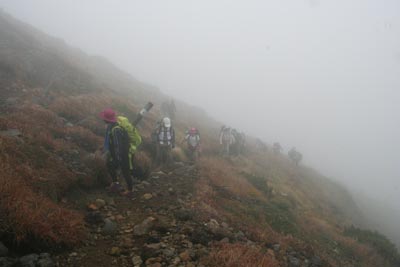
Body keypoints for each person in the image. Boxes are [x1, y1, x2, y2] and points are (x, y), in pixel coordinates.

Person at [99, 108, 141, 198]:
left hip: (124, 155)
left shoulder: (116, 130)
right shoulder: (112, 126)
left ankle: (130, 191)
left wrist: (118, 159)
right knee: (109, 165)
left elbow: (118, 146)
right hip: (119, 154)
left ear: (106, 119)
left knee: (125, 171)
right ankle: (116, 184)